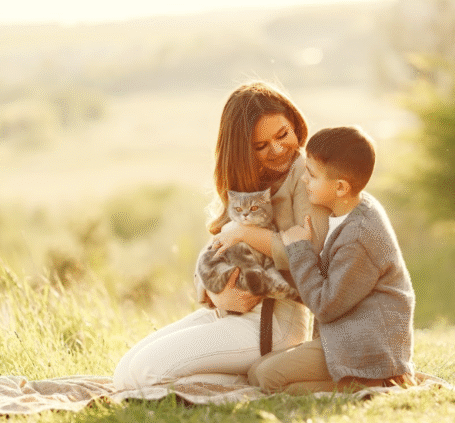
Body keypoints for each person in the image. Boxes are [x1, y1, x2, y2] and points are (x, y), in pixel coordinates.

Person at [112, 81, 330, 390]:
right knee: (125, 374)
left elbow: (311, 255)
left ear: (295, 123)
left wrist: (245, 232)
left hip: (273, 325)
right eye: (261, 146)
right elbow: (215, 249)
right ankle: (246, 377)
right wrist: (213, 291)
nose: (279, 149)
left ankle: (258, 380)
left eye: (283, 135)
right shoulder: (249, 181)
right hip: (228, 311)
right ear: (243, 152)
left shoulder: (307, 177)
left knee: (147, 374)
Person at [248, 126, 415, 394]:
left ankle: (378, 380)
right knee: (258, 371)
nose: (303, 180)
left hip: (366, 345)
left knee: (268, 378)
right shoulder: (349, 209)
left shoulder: (359, 236)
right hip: (346, 335)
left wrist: (299, 249)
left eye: (311, 175)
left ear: (340, 187)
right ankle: (362, 381)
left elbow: (325, 306)